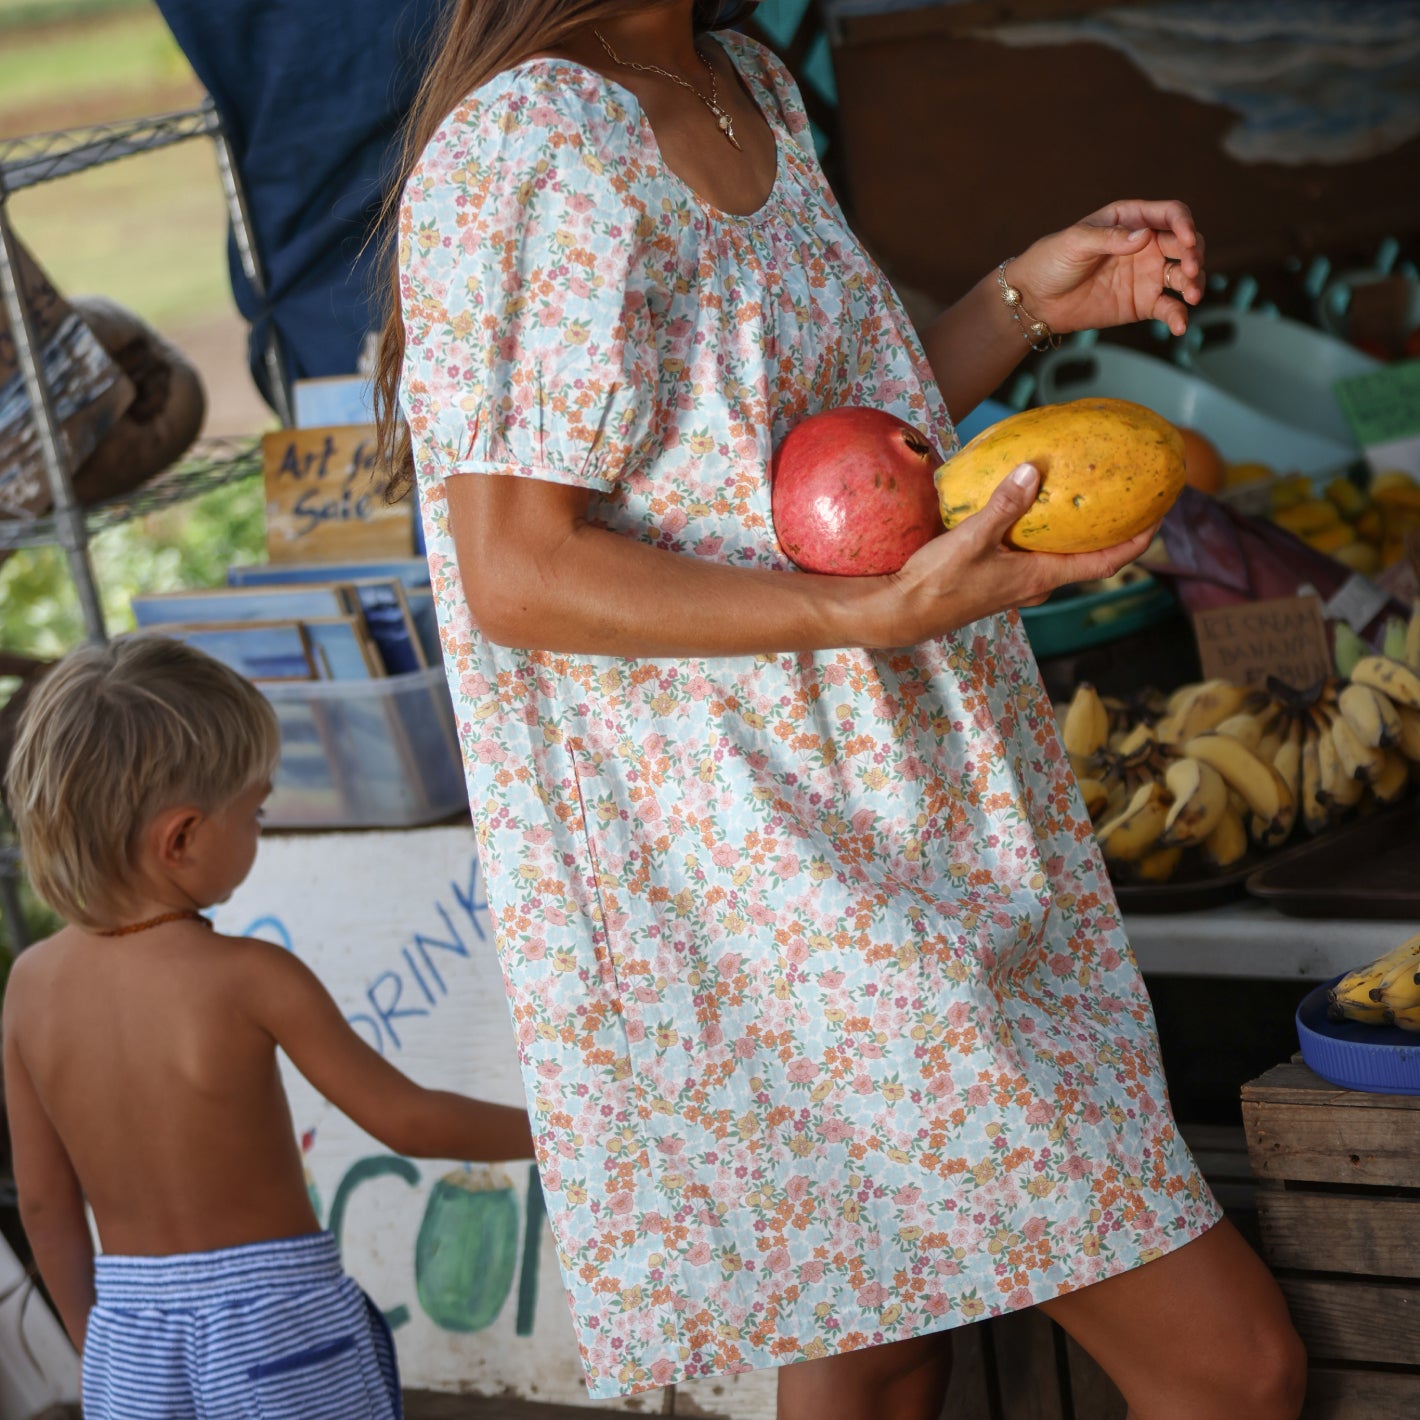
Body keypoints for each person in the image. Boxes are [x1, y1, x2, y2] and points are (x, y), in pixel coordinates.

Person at [374, 2, 1308, 1416]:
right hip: (775, 866)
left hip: (904, 802)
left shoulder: (744, 79)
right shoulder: (532, 141)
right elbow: (517, 573)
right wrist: (859, 620)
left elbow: (824, 460)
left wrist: (1026, 300)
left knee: (876, 1343)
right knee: (1230, 1368)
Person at [1, 635, 535, 1420]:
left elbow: (45, 1205)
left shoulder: (29, 985)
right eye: (254, 811)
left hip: (129, 1337)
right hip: (276, 1329)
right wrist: (563, 1135)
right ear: (181, 840)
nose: (261, 827)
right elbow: (408, 1120)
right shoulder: (249, 976)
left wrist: (103, 1353)